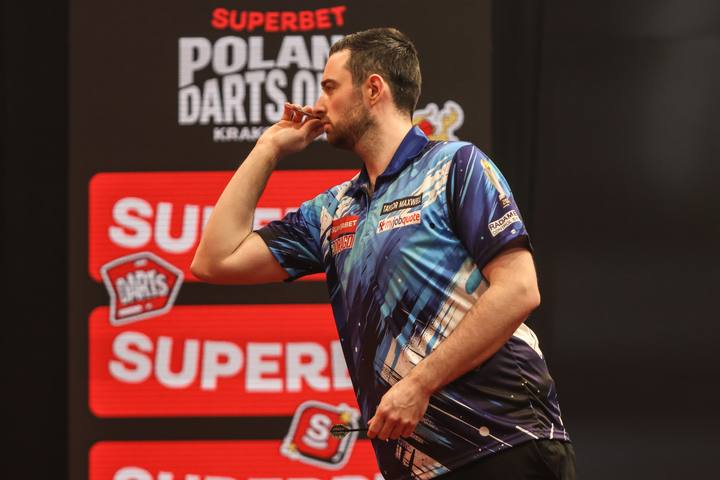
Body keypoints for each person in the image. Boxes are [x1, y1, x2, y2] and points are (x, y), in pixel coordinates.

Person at [191, 27, 575, 480]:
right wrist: (268, 149)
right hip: (416, 466)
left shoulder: (455, 166)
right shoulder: (334, 210)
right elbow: (214, 261)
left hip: (506, 442)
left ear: (373, 89)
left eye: (330, 87)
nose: (318, 104)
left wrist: (419, 384)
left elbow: (519, 291)